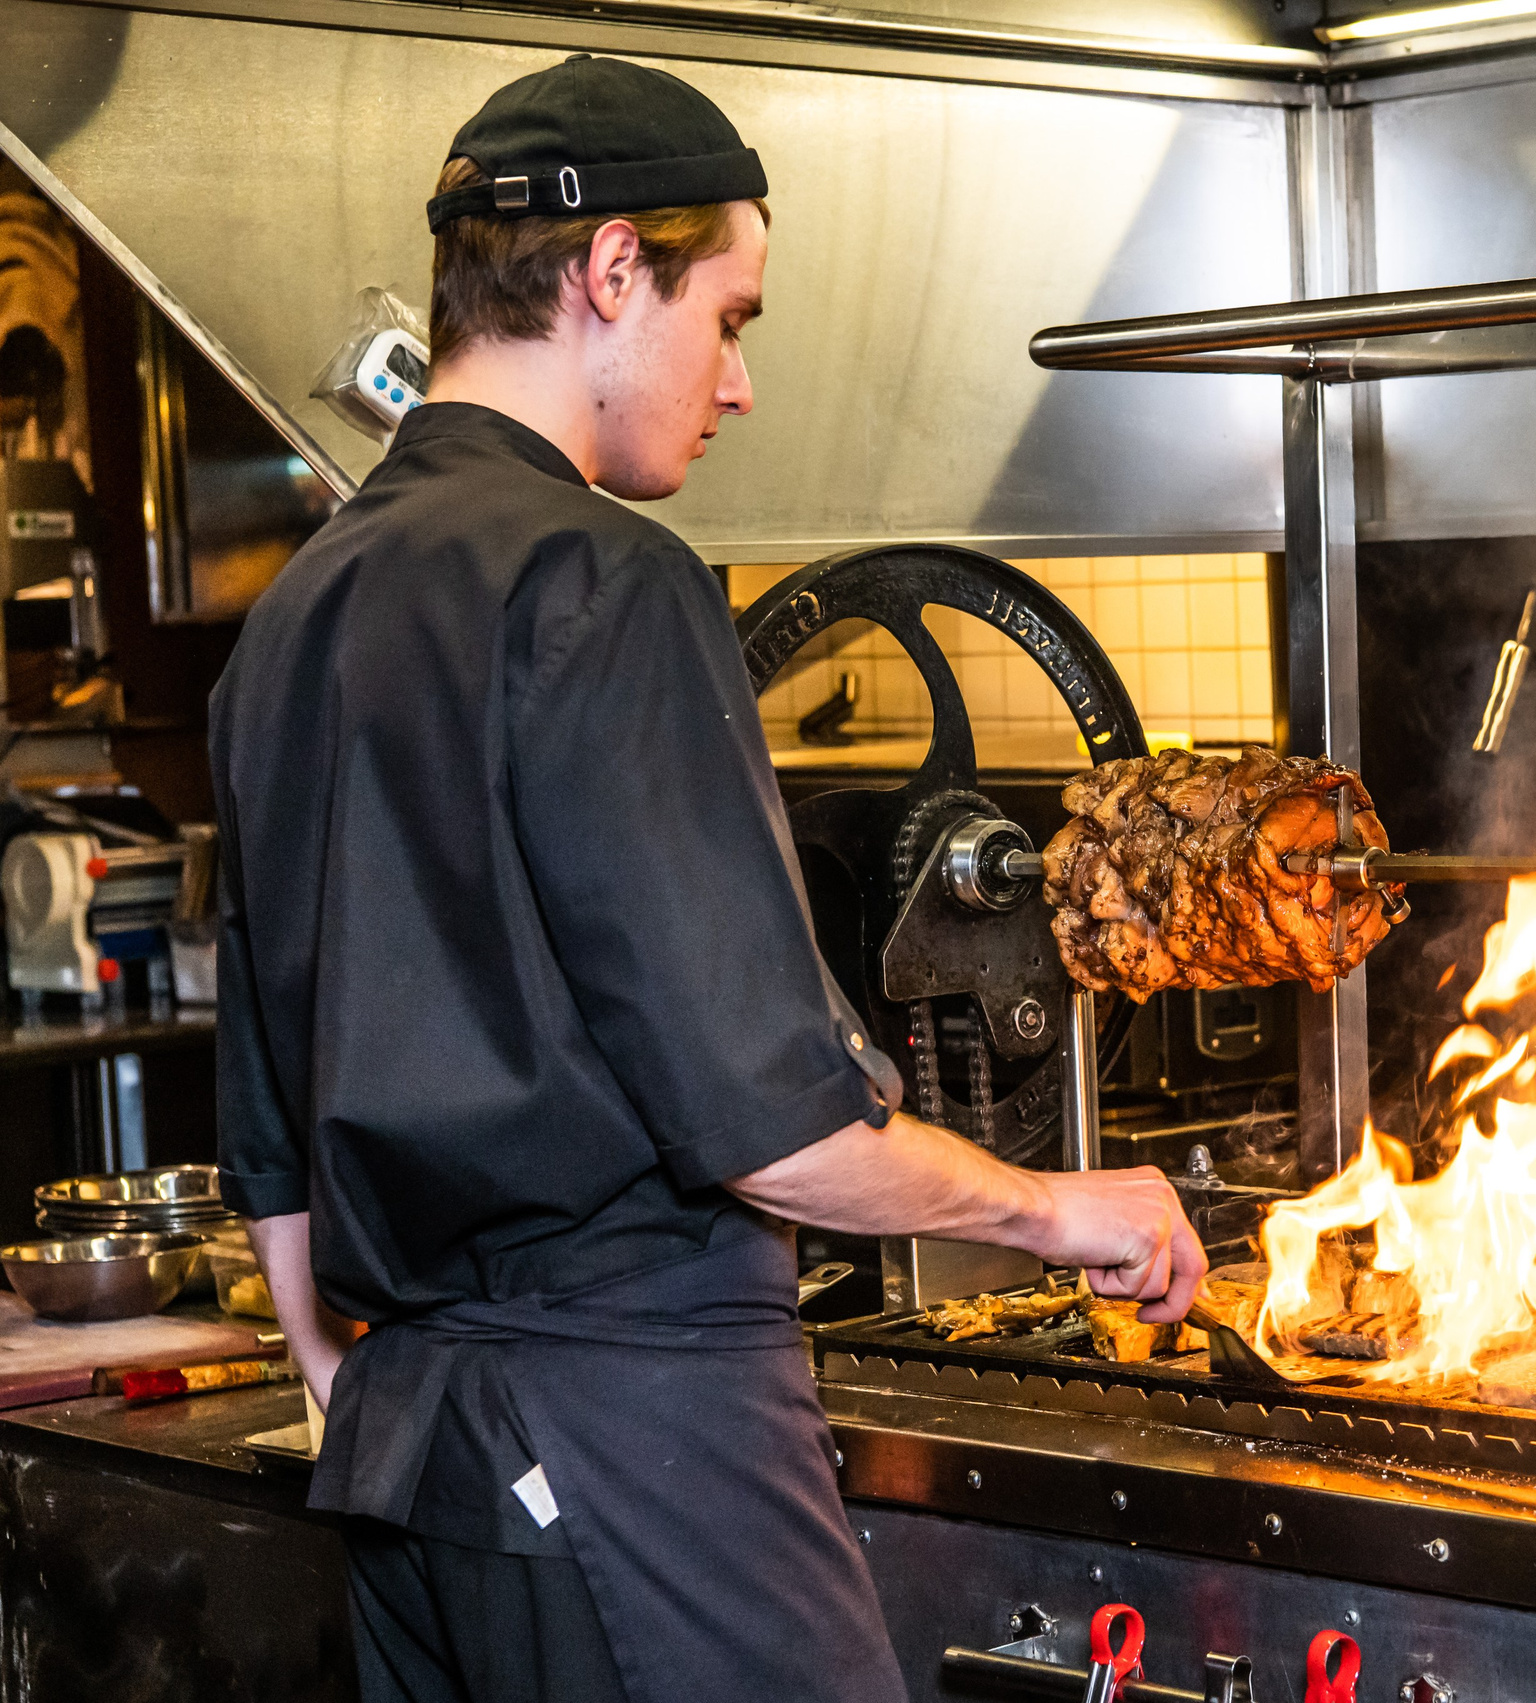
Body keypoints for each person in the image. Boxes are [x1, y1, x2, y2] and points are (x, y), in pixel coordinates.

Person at [210, 55, 1204, 1703]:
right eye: (731, 313)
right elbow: (779, 1128)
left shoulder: (299, 616)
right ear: (611, 272)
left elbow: (270, 1125)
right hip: (641, 1434)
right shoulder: (604, 583)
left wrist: (354, 1378)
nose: (735, 383)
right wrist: (1059, 1210)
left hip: (410, 1459)